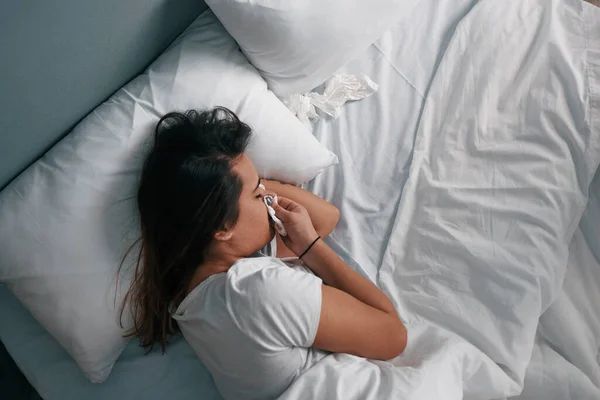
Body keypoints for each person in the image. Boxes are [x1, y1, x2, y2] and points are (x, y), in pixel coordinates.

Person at [121, 107, 407, 399]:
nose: (270, 199)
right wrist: (311, 248)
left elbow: (324, 218)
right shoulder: (259, 290)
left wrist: (243, 187)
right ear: (221, 227)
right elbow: (393, 336)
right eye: (259, 196)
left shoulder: (191, 292)